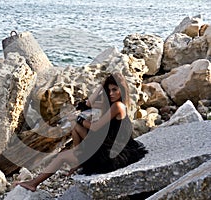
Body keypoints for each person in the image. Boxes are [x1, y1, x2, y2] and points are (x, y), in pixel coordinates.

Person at [15, 72, 148, 191]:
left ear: (122, 89)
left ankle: (33, 183)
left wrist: (79, 118)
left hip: (110, 152)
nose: (111, 93)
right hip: (106, 143)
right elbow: (88, 104)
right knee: (74, 124)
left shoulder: (118, 106)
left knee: (62, 155)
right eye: (109, 90)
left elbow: (95, 127)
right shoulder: (113, 103)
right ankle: (80, 157)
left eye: (115, 90)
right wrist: (102, 85)